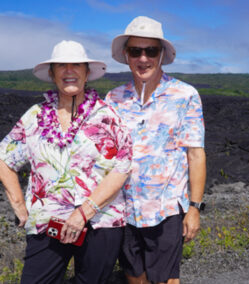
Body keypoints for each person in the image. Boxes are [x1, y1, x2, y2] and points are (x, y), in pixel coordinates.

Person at [0, 40, 133, 283]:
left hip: (101, 221)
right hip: (47, 222)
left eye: (76, 65)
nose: (69, 71)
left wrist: (85, 211)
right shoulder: (34, 116)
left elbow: (122, 167)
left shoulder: (108, 116)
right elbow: (3, 158)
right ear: (52, 74)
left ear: (86, 73)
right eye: (61, 65)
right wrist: (19, 204)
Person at [106, 16, 206, 284]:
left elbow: (195, 154)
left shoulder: (185, 95)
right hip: (123, 208)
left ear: (161, 55)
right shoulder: (113, 99)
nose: (143, 58)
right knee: (134, 276)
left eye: (151, 50)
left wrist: (194, 208)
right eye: (135, 51)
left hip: (166, 209)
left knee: (166, 280)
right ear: (126, 55)